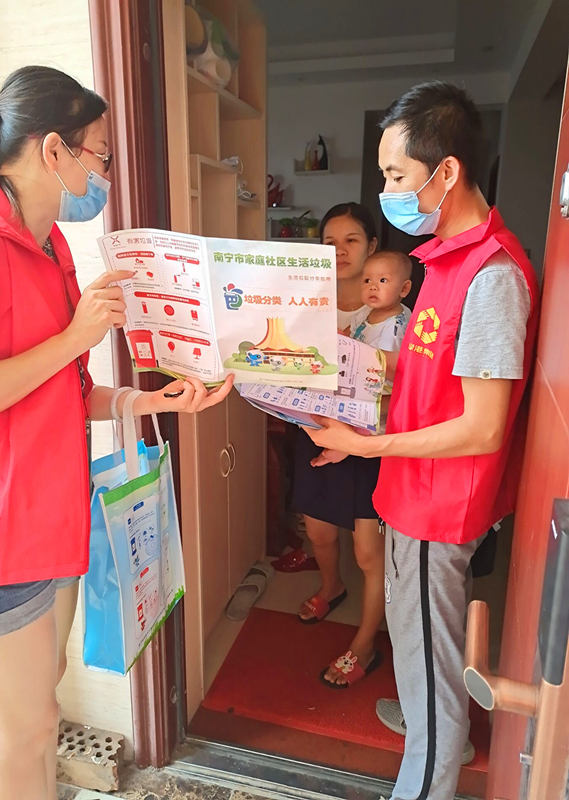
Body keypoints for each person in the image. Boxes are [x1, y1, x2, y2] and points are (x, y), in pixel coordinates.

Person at [0, 66, 233, 800]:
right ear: (54, 149)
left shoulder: (51, 245)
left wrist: (154, 403)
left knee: (39, 717)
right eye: (103, 156)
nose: (106, 176)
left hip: (51, 517)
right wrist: (74, 337)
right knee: (20, 734)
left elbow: (68, 391)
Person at [306, 82, 538, 800]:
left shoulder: (491, 275)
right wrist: (358, 434)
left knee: (431, 666)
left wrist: (370, 448)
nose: (387, 192)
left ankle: (430, 763)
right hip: (408, 492)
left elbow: (483, 426)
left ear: (447, 171)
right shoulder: (438, 261)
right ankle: (429, 724)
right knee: (415, 646)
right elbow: (423, 387)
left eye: (396, 175)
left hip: (439, 510)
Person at [293, 204, 409, 689]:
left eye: (352, 241)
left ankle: (365, 641)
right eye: (329, 243)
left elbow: (406, 377)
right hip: (318, 427)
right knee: (319, 530)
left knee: (368, 551)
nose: (339, 251)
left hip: (366, 439)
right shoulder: (307, 298)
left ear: (372, 246)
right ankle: (331, 586)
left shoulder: (388, 312)